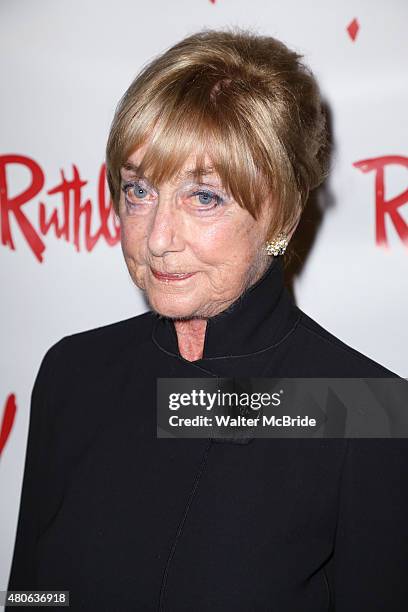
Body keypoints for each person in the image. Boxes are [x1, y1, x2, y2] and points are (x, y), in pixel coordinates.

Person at [6, 27, 408, 611]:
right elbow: (31, 596)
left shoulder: (364, 413)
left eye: (204, 197)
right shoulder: (73, 373)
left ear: (282, 215)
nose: (158, 238)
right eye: (139, 190)